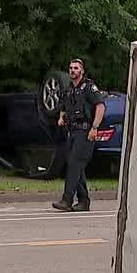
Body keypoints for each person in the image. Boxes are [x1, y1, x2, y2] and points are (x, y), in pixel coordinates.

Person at [52, 58, 105, 212]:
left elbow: (100, 106)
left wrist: (95, 127)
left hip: (85, 131)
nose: (73, 70)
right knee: (76, 165)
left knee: (75, 163)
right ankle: (83, 201)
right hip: (72, 131)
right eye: (71, 68)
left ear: (82, 71)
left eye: (76, 68)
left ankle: (67, 200)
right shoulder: (69, 89)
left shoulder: (89, 87)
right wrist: (61, 117)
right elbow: (63, 106)